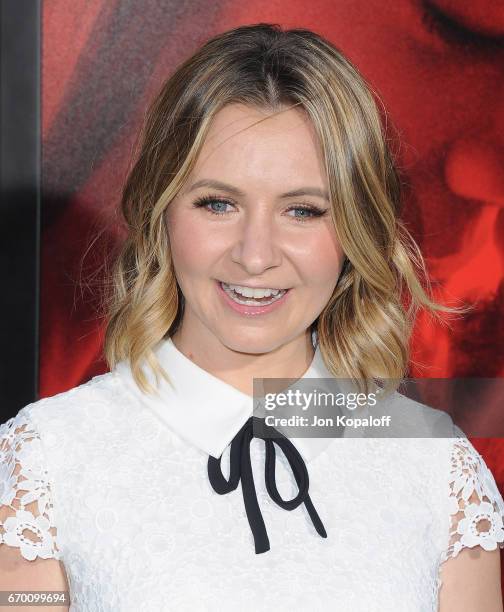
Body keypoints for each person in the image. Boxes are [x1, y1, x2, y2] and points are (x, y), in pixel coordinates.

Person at [1, 23, 503, 612]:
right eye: (218, 203)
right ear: (161, 212)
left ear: (356, 232)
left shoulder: (436, 464)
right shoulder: (48, 459)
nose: (256, 254)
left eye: (303, 209)